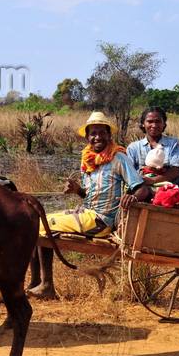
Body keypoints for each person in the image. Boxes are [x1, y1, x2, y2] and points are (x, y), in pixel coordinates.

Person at [27, 111, 149, 299]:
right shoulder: (88, 158)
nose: (97, 137)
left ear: (109, 135)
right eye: (93, 133)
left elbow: (141, 188)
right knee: (36, 220)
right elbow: (88, 195)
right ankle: (35, 282)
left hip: (101, 220)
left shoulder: (118, 158)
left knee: (43, 227)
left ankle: (47, 286)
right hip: (86, 212)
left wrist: (132, 198)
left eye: (101, 132)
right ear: (87, 137)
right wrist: (77, 190)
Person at [127, 106, 179, 192]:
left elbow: (176, 170)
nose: (154, 125)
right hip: (141, 191)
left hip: (167, 192)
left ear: (164, 123)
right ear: (143, 123)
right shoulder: (134, 147)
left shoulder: (173, 143)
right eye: (150, 122)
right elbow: (129, 172)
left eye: (158, 121)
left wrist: (153, 180)